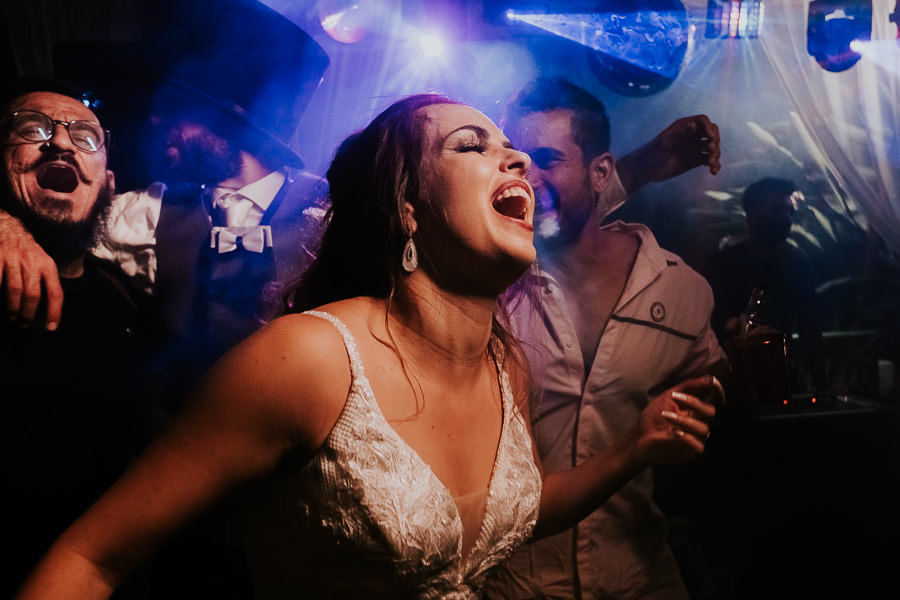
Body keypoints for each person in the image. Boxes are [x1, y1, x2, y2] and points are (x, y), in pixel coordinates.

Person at [15, 94, 720, 600]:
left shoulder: (507, 366)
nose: (512, 158)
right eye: (472, 145)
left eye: (512, 149)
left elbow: (512, 514)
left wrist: (635, 450)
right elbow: (90, 557)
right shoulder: (311, 360)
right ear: (407, 207)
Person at [0, 0, 331, 403]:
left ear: (224, 120)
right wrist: (6, 226)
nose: (156, 122)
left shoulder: (331, 209)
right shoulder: (145, 211)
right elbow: (60, 215)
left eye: (174, 108)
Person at [484, 77, 727, 600]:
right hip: (515, 586)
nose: (528, 177)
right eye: (517, 160)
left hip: (640, 577)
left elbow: (707, 390)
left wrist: (717, 395)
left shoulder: (678, 288)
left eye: (548, 158)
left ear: (600, 173)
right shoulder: (483, 287)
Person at [0, 84, 160, 597]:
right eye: (32, 129)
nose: (61, 144)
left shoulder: (129, 298)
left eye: (85, 135)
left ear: (108, 185)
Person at [707, 178, 824, 393]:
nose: (786, 219)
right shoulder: (723, 265)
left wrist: (820, 382)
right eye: (777, 210)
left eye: (790, 212)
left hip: (781, 378)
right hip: (729, 381)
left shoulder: (797, 262)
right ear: (753, 214)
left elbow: (810, 326)